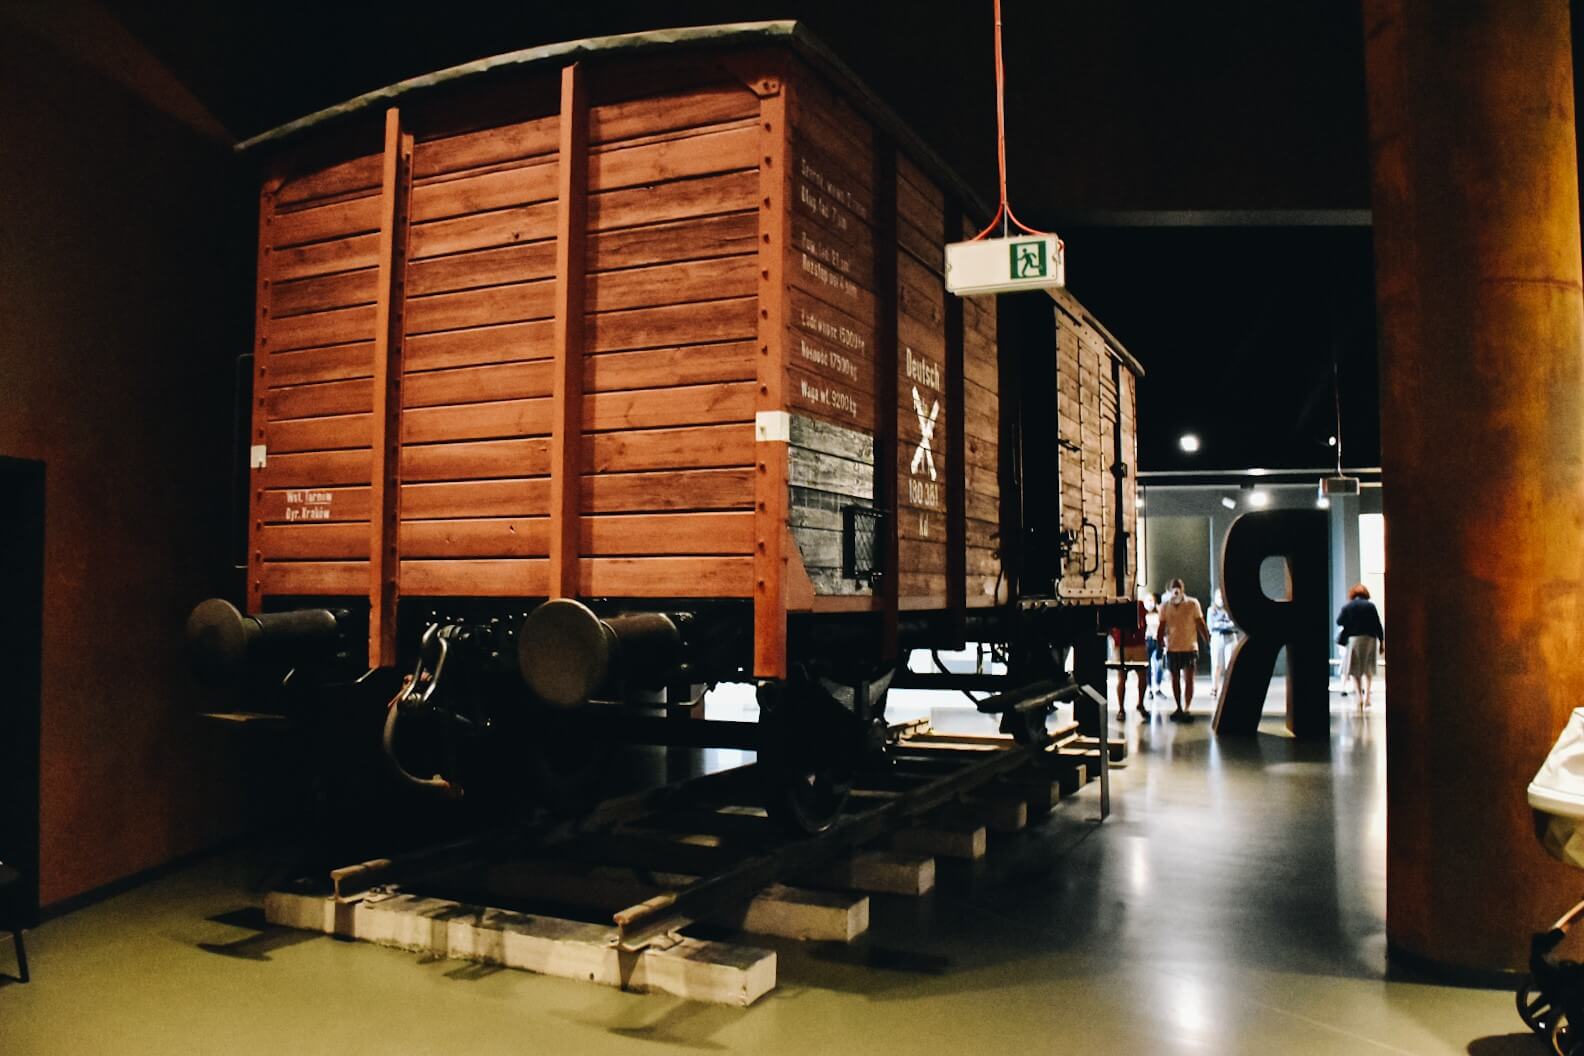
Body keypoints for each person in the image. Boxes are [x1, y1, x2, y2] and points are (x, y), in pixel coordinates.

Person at [1158, 578, 1209, 720]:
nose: (1176, 590)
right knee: (1174, 678)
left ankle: (1187, 706)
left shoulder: (1193, 604)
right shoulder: (1164, 606)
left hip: (1189, 647)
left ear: (1183, 588)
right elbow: (1161, 626)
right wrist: (1160, 641)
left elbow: (1200, 623)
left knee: (1189, 679)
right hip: (1172, 647)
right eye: (1174, 587)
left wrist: (1206, 639)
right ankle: (1178, 706)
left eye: (1178, 586)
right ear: (1169, 590)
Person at [1336, 583, 1385, 708]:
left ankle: (1359, 697)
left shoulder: (1348, 606)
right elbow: (1378, 625)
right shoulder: (1370, 606)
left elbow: (1339, 621)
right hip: (1370, 639)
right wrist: (1381, 642)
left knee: (1354, 669)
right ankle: (1368, 696)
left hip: (1354, 639)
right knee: (1368, 668)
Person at [1110, 598, 1151, 721]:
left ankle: (1140, 703)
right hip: (1124, 643)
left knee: (1141, 676)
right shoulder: (1115, 604)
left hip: (1135, 642)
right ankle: (1121, 707)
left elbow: (1144, 622)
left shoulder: (1139, 604)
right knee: (1122, 677)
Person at [1206, 587, 1239, 697]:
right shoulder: (1211, 610)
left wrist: (1222, 625)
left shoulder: (1231, 609)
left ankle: (1229, 688)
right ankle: (1214, 688)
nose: (1220, 599)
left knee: (1230, 664)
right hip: (1217, 638)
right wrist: (1225, 625)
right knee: (1216, 665)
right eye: (1218, 597)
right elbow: (1211, 626)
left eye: (1222, 597)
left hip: (1230, 638)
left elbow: (1234, 624)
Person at [1142, 592, 1163, 699]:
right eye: (1148, 600)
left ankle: (1158, 688)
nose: (1150, 603)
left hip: (1156, 641)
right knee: (1148, 667)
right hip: (1146, 641)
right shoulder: (1142, 615)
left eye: (1152, 600)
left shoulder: (1158, 614)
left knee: (1158, 665)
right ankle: (1149, 689)